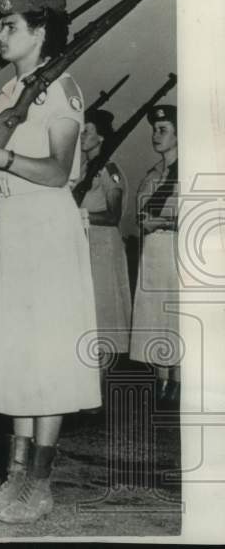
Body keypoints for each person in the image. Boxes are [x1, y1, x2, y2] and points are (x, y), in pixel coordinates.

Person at [0, 0, 101, 523]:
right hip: (14, 225)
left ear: (40, 33)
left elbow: (59, 171)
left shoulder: (60, 90)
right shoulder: (8, 93)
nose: (0, 35)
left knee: (46, 357)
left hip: (46, 229)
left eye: (11, 27)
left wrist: (2, 156)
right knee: (16, 352)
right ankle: (14, 479)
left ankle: (39, 486)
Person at [128, 105, 180, 403]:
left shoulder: (189, 170)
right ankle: (162, 382)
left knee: (177, 314)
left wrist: (161, 221)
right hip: (153, 251)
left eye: (163, 130)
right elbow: (139, 212)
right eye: (154, 130)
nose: (155, 135)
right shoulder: (153, 174)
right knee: (156, 314)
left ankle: (180, 380)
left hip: (177, 249)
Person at [79, 108, 132, 362]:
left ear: (100, 137)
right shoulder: (83, 170)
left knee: (103, 317)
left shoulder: (109, 170)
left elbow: (113, 216)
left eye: (86, 130)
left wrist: (80, 217)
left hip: (102, 249)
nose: (81, 135)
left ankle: (99, 389)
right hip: (84, 247)